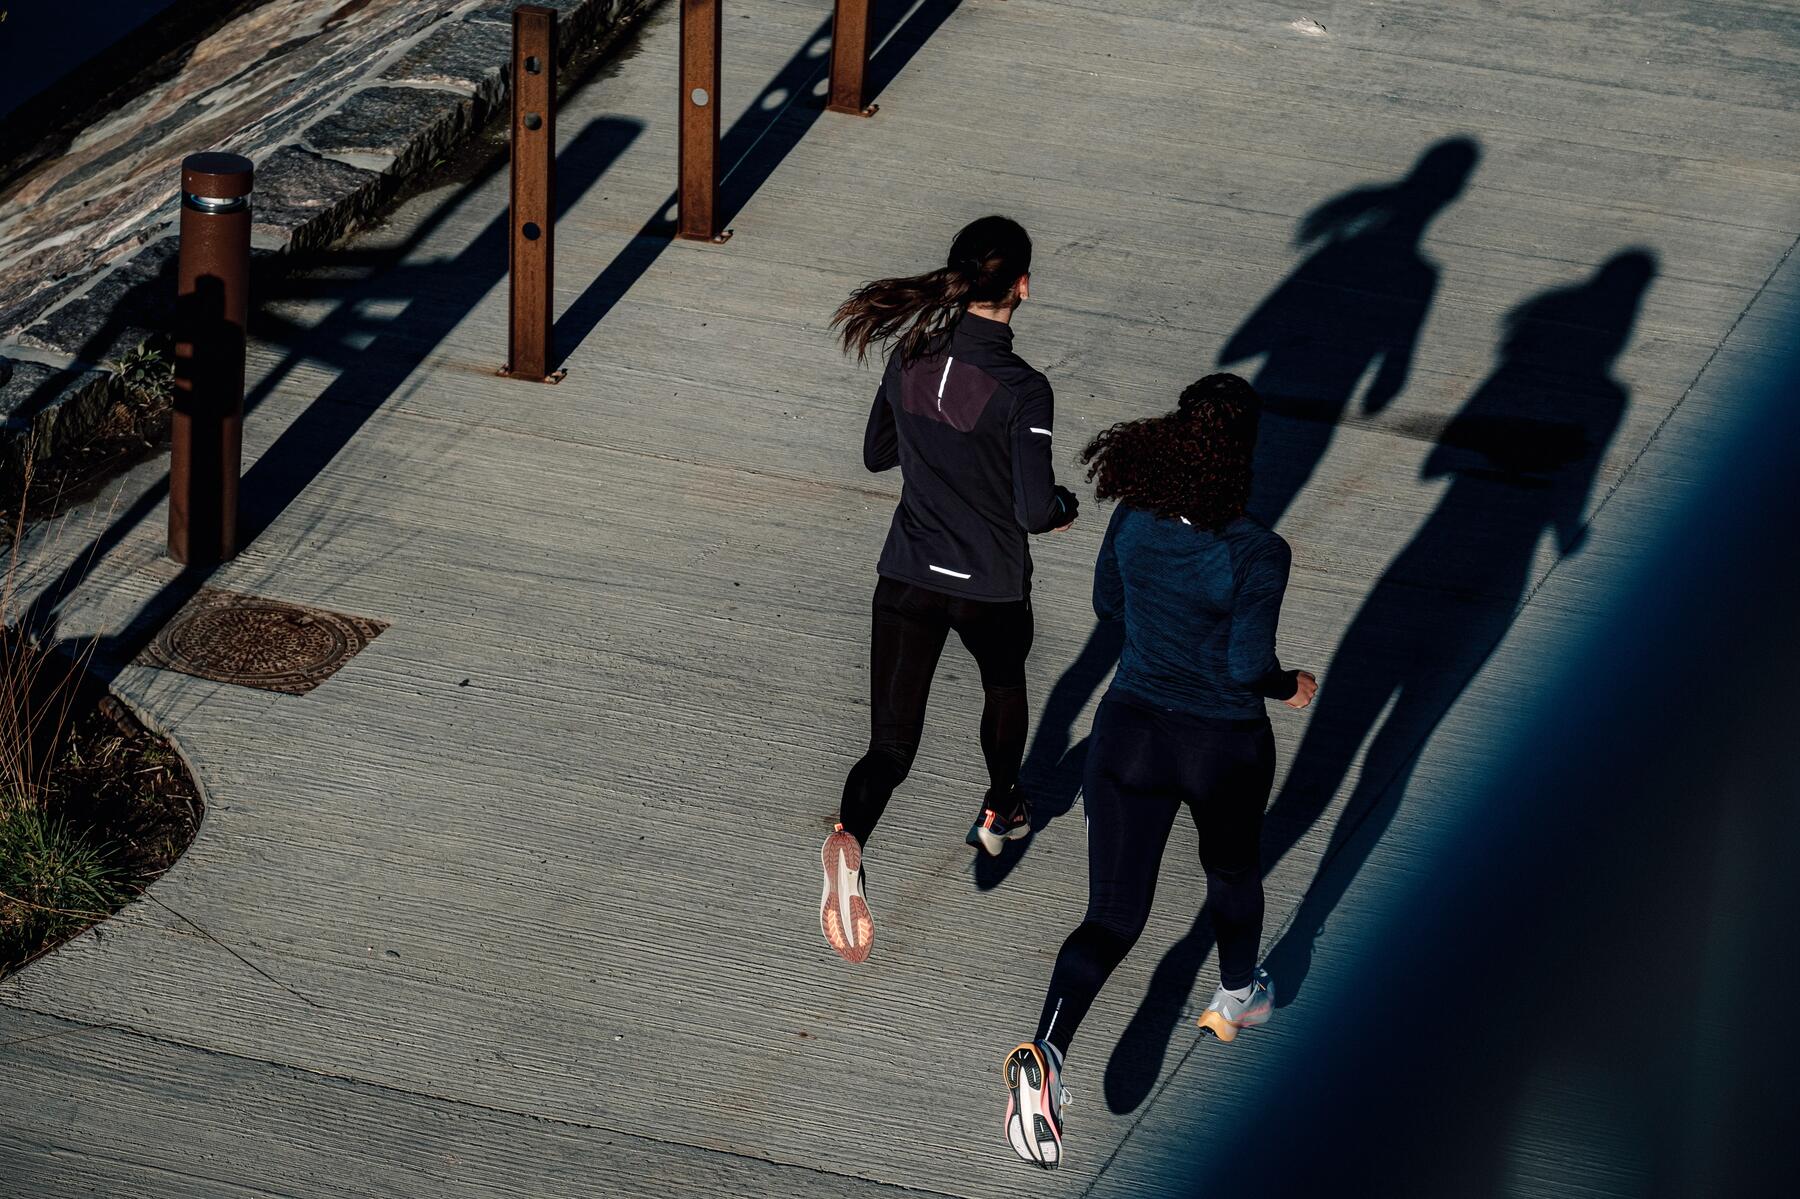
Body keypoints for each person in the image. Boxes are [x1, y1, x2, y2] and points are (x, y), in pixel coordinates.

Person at [1003, 374, 1316, 1168]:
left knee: (1111, 914)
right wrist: (1291, 684)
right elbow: (1249, 663)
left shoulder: (1134, 515)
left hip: (1130, 733)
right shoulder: (1257, 549)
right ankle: (1237, 994)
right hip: (1221, 745)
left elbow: (1111, 605)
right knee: (1232, 871)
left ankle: (1049, 1047)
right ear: (1242, 453)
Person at [818, 215, 1079, 965]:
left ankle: (851, 839)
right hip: (990, 583)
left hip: (907, 574)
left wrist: (931, 433)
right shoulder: (1021, 388)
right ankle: (1003, 801)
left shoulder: (909, 351)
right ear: (1022, 286)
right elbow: (1033, 511)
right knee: (1003, 684)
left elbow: (877, 454)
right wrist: (1061, 508)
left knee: (890, 747)